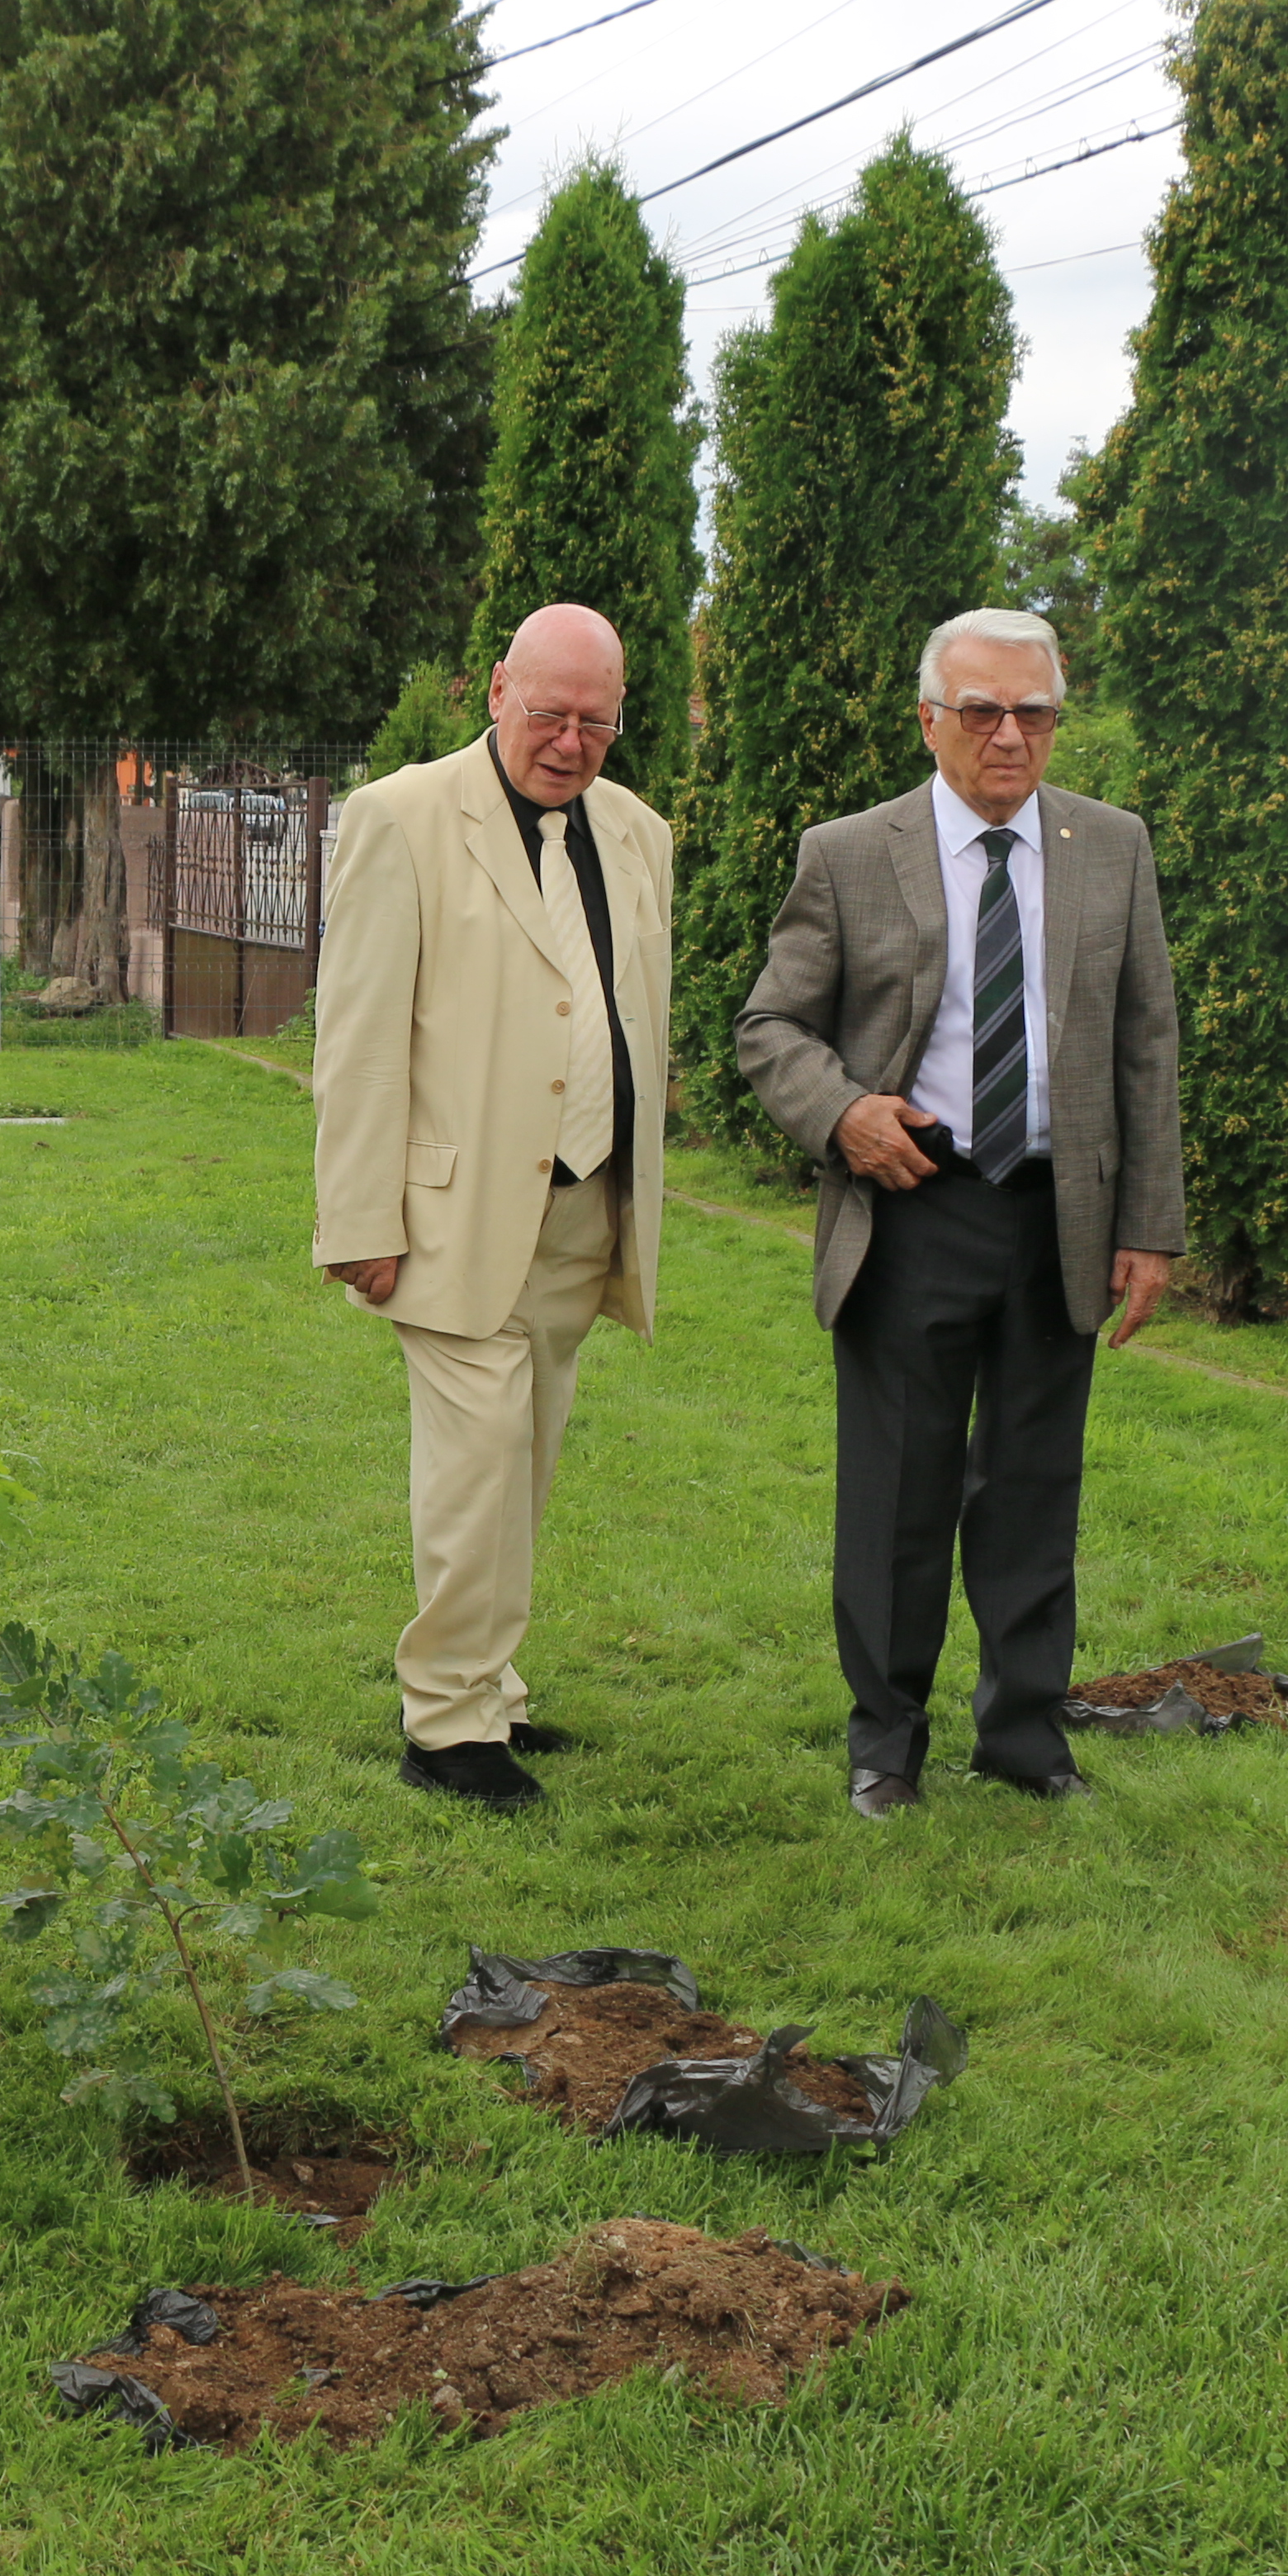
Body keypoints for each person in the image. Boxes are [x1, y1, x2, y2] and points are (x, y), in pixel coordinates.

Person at [732, 607, 1184, 1819]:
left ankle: (1026, 1738)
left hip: (1057, 1216)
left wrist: (1151, 1224)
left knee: (1036, 1489)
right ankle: (887, 1741)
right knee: (898, 1491)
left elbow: (1147, 1044)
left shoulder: (1113, 848)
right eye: (980, 710)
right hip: (913, 1205)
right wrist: (844, 1117)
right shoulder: (848, 853)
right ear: (930, 719)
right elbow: (770, 1028)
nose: (1008, 735)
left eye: (1033, 712)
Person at [309, 602, 673, 1812]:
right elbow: (358, 1033)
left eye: (596, 722)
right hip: (449, 1214)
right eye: (548, 715)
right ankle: (450, 1725)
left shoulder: (636, 835)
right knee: (471, 1471)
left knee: (526, 1463)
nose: (569, 743)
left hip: (583, 1210)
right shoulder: (402, 817)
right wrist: (359, 1216)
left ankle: (493, 1690)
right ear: (496, 691)